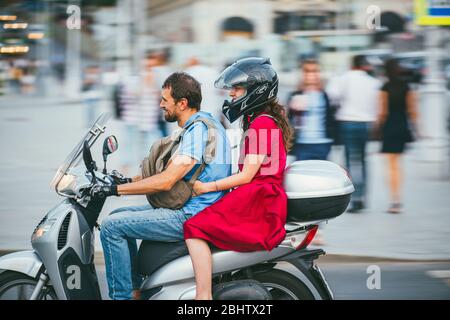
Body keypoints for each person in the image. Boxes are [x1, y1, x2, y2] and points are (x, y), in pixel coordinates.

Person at [92, 72, 231, 300]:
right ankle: (136, 291)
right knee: (118, 214)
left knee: (111, 226)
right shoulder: (205, 122)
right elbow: (171, 172)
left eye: (165, 100)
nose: (160, 105)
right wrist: (126, 181)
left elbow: (167, 180)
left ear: (182, 103)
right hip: (194, 206)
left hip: (190, 214)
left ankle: (122, 297)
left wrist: (115, 191)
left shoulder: (198, 132)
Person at [183, 57, 294, 300]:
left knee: (193, 227)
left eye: (237, 88)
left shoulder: (262, 124)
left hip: (259, 200)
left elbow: (246, 176)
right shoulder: (259, 120)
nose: (231, 94)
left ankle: (203, 296)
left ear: (256, 91)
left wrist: (206, 187)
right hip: (256, 195)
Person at [327, 55, 382, 213]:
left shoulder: (344, 78)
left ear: (352, 65)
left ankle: (352, 198)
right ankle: (363, 197)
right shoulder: (373, 82)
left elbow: (332, 96)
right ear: (364, 65)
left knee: (350, 161)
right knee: (364, 160)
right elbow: (377, 104)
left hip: (347, 122)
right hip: (366, 124)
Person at [376, 59, 419, 214]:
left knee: (390, 165)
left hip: (389, 126)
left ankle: (393, 200)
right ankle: (398, 199)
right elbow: (412, 111)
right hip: (401, 125)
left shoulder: (384, 88)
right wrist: (418, 130)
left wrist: (377, 129)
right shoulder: (407, 87)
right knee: (398, 165)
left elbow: (382, 112)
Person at [288, 59, 334, 161]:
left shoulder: (325, 95)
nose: (311, 75)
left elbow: (331, 118)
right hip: (302, 144)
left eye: (315, 71)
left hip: (323, 143)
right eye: (307, 71)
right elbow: (289, 122)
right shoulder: (296, 95)